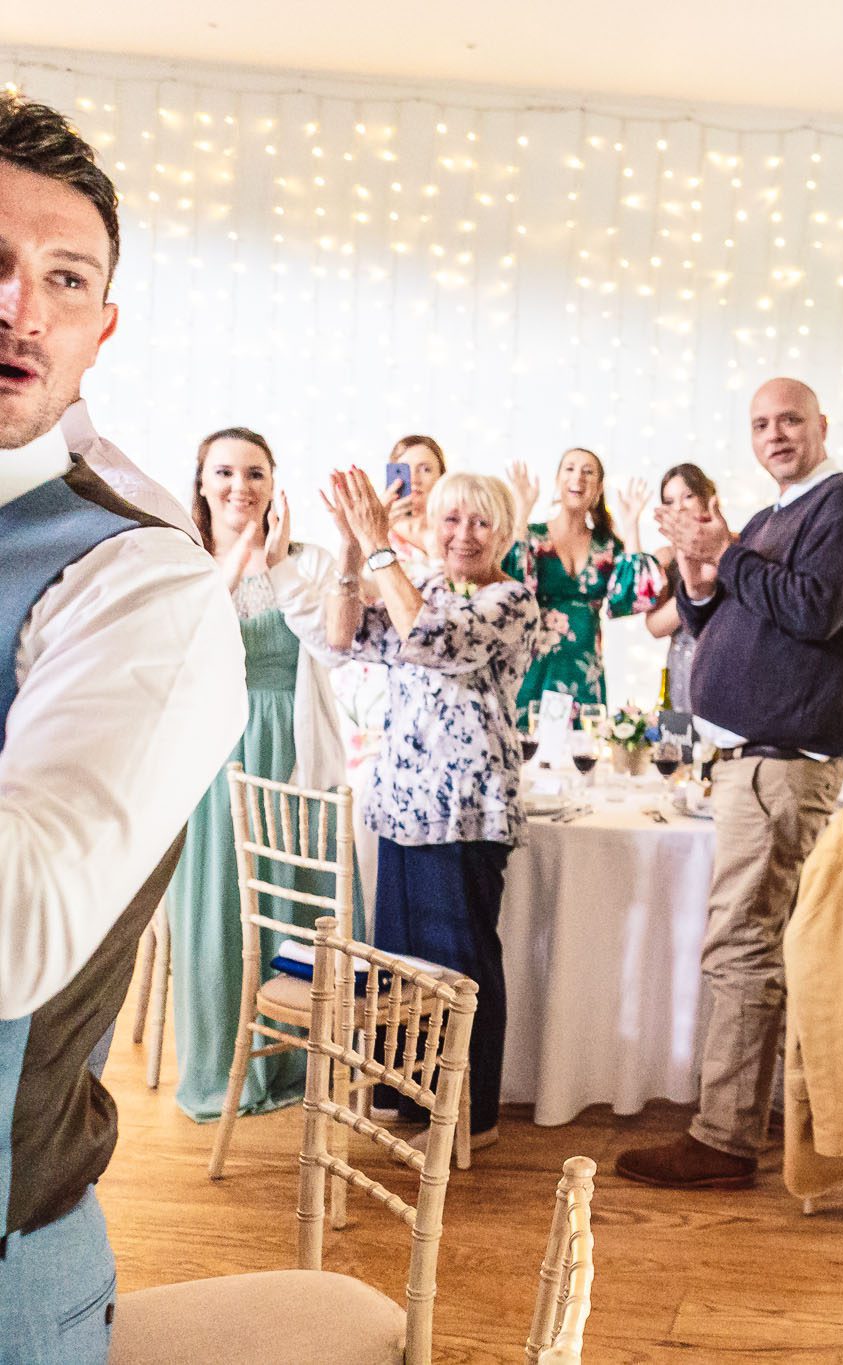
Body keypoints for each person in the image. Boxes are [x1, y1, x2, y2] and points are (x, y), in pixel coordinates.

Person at [0, 91, 245, 1359]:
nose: (20, 308)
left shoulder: (137, 576)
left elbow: (20, 930)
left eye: (64, 277)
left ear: (100, 329)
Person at [614, 377, 843, 1191]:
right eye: (761, 423)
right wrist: (699, 577)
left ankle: (724, 1139)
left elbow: (815, 610)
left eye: (790, 419)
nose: (775, 433)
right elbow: (718, 622)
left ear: (822, 425)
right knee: (747, 941)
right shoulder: (772, 518)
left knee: (743, 944)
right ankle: (742, 1118)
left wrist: (725, 550)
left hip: (781, 763)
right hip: (748, 762)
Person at [322, 467, 539, 1150]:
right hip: (402, 805)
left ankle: (473, 1119)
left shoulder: (511, 600)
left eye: (480, 521)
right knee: (404, 967)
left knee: (460, 964)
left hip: (466, 811)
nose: (463, 534)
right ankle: (411, 1101)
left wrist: (378, 545)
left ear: (504, 532)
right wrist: (351, 550)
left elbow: (432, 638)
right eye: (450, 519)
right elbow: (342, 637)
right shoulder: (426, 587)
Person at [165, 426, 353, 1122]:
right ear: (202, 482)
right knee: (222, 904)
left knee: (301, 904)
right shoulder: (181, 560)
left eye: (254, 473)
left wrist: (274, 562)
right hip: (214, 752)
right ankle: (225, 1065)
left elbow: (335, 646)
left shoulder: (308, 561)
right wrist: (238, 555)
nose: (239, 486)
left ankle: (302, 1061)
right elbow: (180, 647)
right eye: (224, 472)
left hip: (295, 746)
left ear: (274, 484)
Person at [504, 445, 657, 709]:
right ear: (557, 480)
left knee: (586, 736)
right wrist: (521, 510)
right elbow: (509, 588)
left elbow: (633, 598)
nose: (578, 477)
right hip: (533, 670)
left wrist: (631, 525)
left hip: (585, 675)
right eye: (570, 468)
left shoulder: (606, 546)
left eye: (588, 472)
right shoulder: (533, 537)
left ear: (599, 488)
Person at [644, 461, 719, 736]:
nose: (679, 508)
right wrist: (695, 585)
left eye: (688, 496)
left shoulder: (731, 547)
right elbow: (655, 627)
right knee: (680, 748)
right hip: (681, 664)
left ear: (707, 497)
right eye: (669, 501)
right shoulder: (665, 559)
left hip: (721, 663)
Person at [382, 433, 447, 571]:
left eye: (425, 469)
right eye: (403, 470)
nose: (414, 479)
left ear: (441, 477)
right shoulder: (378, 531)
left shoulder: (455, 532)